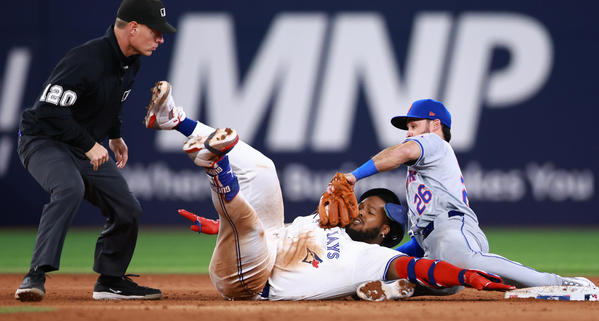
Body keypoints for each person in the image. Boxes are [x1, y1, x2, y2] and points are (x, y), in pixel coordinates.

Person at [143, 81, 513, 300]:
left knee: (248, 225)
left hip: (249, 282)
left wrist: (466, 276)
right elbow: (260, 232)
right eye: (364, 204)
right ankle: (175, 120)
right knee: (264, 170)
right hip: (256, 246)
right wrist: (220, 229)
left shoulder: (369, 261)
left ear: (386, 233)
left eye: (374, 212)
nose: (362, 209)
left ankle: (216, 167)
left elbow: (420, 267)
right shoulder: (326, 224)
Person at [342, 99, 596, 296]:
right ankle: (397, 289)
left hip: (454, 232)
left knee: (462, 261)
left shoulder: (433, 143)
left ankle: (558, 283)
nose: (409, 133)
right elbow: (420, 244)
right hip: (433, 243)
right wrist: (391, 258)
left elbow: (401, 152)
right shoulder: (420, 171)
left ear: (434, 125)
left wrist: (353, 177)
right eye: (408, 128)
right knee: (439, 279)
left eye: (413, 126)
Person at [15, 0, 176, 302]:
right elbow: (49, 112)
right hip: (44, 140)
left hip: (81, 145)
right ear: (133, 28)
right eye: (155, 32)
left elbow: (113, 102)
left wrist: (114, 136)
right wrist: (90, 145)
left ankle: (110, 281)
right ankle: (34, 275)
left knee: (127, 209)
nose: (161, 39)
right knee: (69, 188)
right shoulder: (85, 59)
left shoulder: (131, 63)